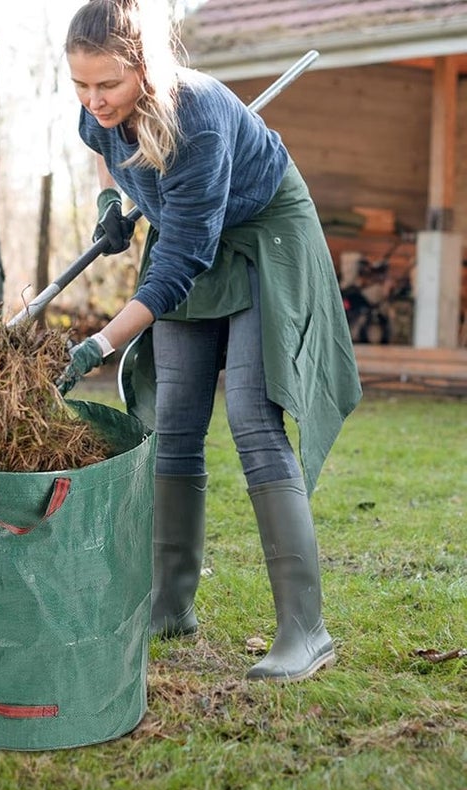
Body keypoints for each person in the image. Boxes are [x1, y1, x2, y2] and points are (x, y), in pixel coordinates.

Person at [58, 0, 362, 682]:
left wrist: (100, 344)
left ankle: (304, 631)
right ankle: (169, 604)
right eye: (80, 84)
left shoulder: (193, 119)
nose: (93, 98)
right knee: (174, 422)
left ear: (143, 69)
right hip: (191, 238)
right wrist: (112, 208)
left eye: (106, 84)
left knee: (254, 420)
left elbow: (181, 263)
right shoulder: (96, 111)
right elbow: (107, 156)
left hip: (261, 237)